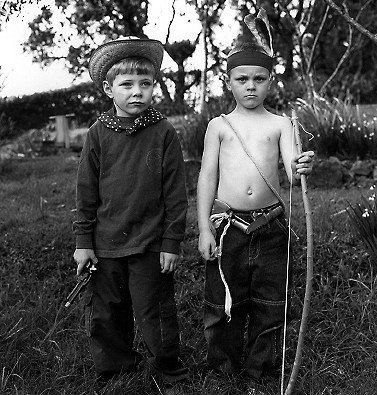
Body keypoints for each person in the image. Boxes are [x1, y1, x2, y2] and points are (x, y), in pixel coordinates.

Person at [197, 9, 314, 392]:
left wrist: (303, 165)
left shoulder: (280, 123)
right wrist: (203, 228)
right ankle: (222, 368)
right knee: (223, 302)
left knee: (270, 301)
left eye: (259, 79)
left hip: (271, 225)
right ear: (228, 82)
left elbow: (291, 172)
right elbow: (207, 178)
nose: (251, 86)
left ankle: (260, 369)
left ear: (270, 81)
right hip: (228, 225)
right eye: (242, 79)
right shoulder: (219, 125)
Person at [72, 37, 188, 385]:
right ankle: (116, 368)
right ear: (109, 89)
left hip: (151, 242)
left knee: (156, 311)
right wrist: (83, 240)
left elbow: (176, 194)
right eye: (126, 85)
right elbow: (86, 192)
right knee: (107, 312)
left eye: (145, 83)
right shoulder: (97, 134)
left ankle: (168, 370)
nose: (137, 91)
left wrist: (171, 242)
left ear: (154, 86)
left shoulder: (164, 133)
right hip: (105, 242)